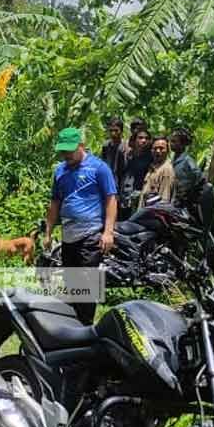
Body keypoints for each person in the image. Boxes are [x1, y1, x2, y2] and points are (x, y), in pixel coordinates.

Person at [44, 127, 117, 325]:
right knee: (71, 282)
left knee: (86, 284)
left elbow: (111, 199)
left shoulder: (99, 168)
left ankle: (85, 327)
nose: (66, 155)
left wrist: (108, 232)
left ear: (81, 146)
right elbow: (55, 203)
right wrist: (48, 232)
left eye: (69, 150)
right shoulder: (60, 170)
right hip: (68, 234)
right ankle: (73, 326)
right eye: (63, 151)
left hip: (91, 233)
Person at [119, 128, 152, 219]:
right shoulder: (128, 155)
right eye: (140, 138)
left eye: (146, 138)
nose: (143, 140)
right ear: (135, 140)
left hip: (138, 198)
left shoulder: (150, 158)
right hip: (124, 195)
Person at [170, 127, 204, 210]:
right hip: (174, 201)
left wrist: (189, 193)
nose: (171, 143)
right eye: (171, 141)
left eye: (174, 141)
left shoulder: (187, 161)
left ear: (182, 144)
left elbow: (200, 178)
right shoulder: (173, 160)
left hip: (184, 205)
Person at [139, 135, 176, 206]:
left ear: (167, 151)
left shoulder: (166, 170)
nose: (158, 151)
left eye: (161, 148)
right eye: (155, 148)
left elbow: (163, 202)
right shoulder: (153, 167)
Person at [100, 117, 128, 181]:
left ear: (121, 131)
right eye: (111, 130)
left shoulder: (126, 146)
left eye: (116, 130)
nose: (113, 133)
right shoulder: (106, 146)